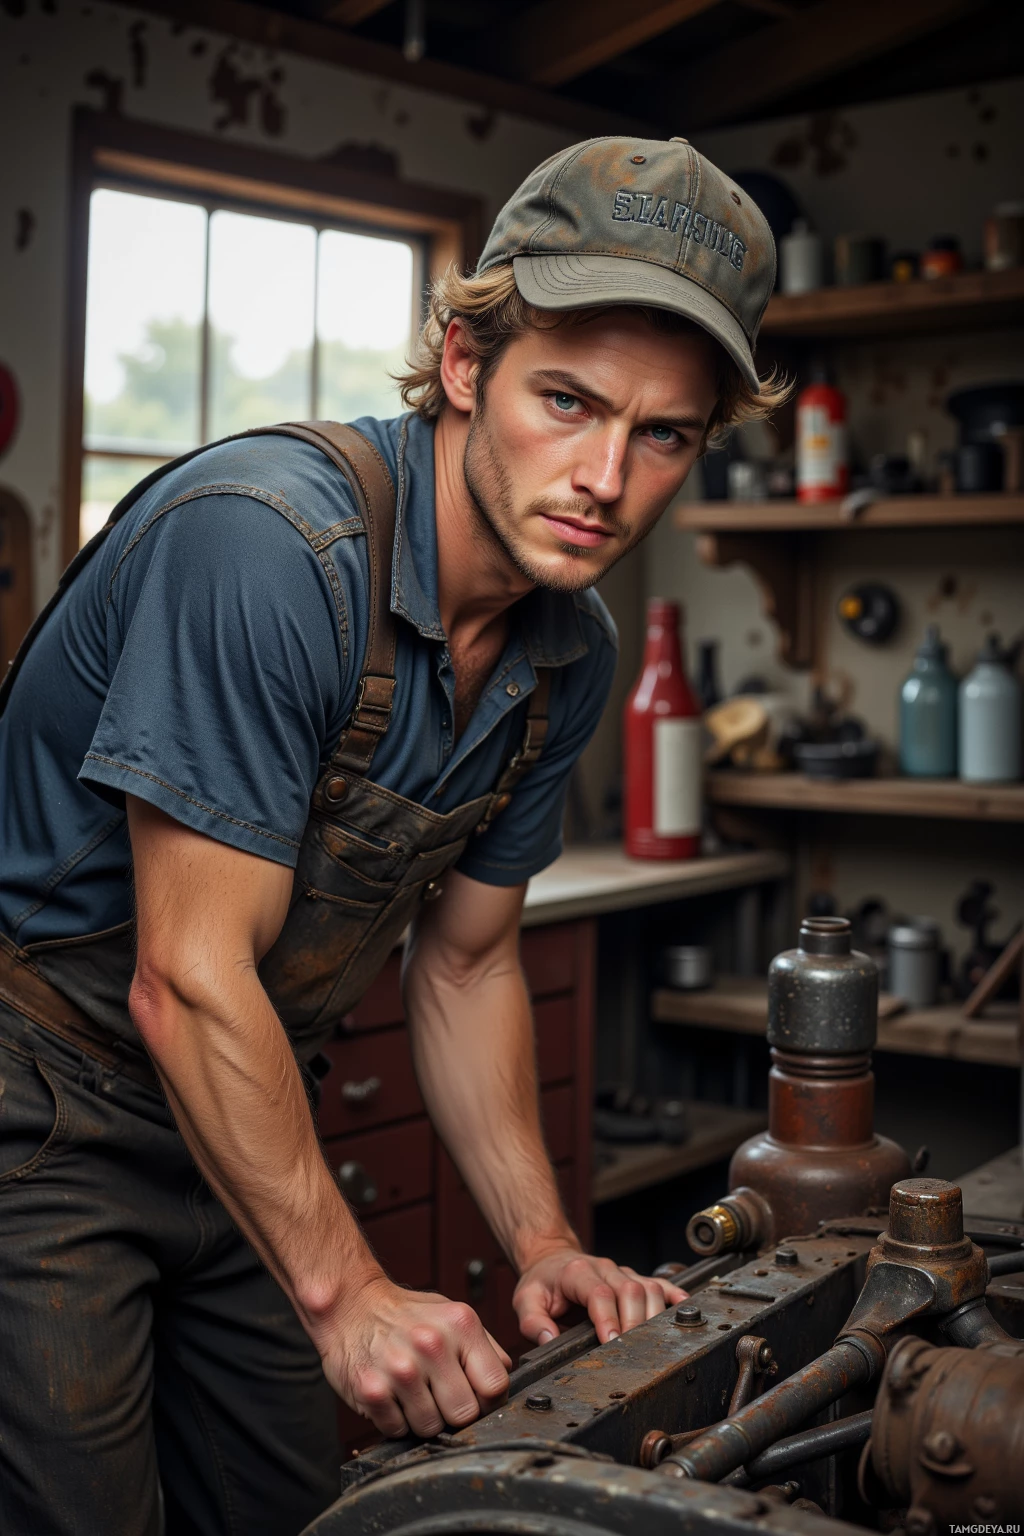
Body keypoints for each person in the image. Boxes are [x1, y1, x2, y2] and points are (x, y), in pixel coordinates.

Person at [0, 134, 785, 1535]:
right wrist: (350, 1293)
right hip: (40, 1109)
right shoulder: (268, 548)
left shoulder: (568, 651)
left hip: (241, 1111)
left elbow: (469, 964)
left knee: (294, 1507)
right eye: (568, 399)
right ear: (469, 363)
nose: (605, 476)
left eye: (662, 433)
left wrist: (541, 1245)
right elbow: (185, 976)